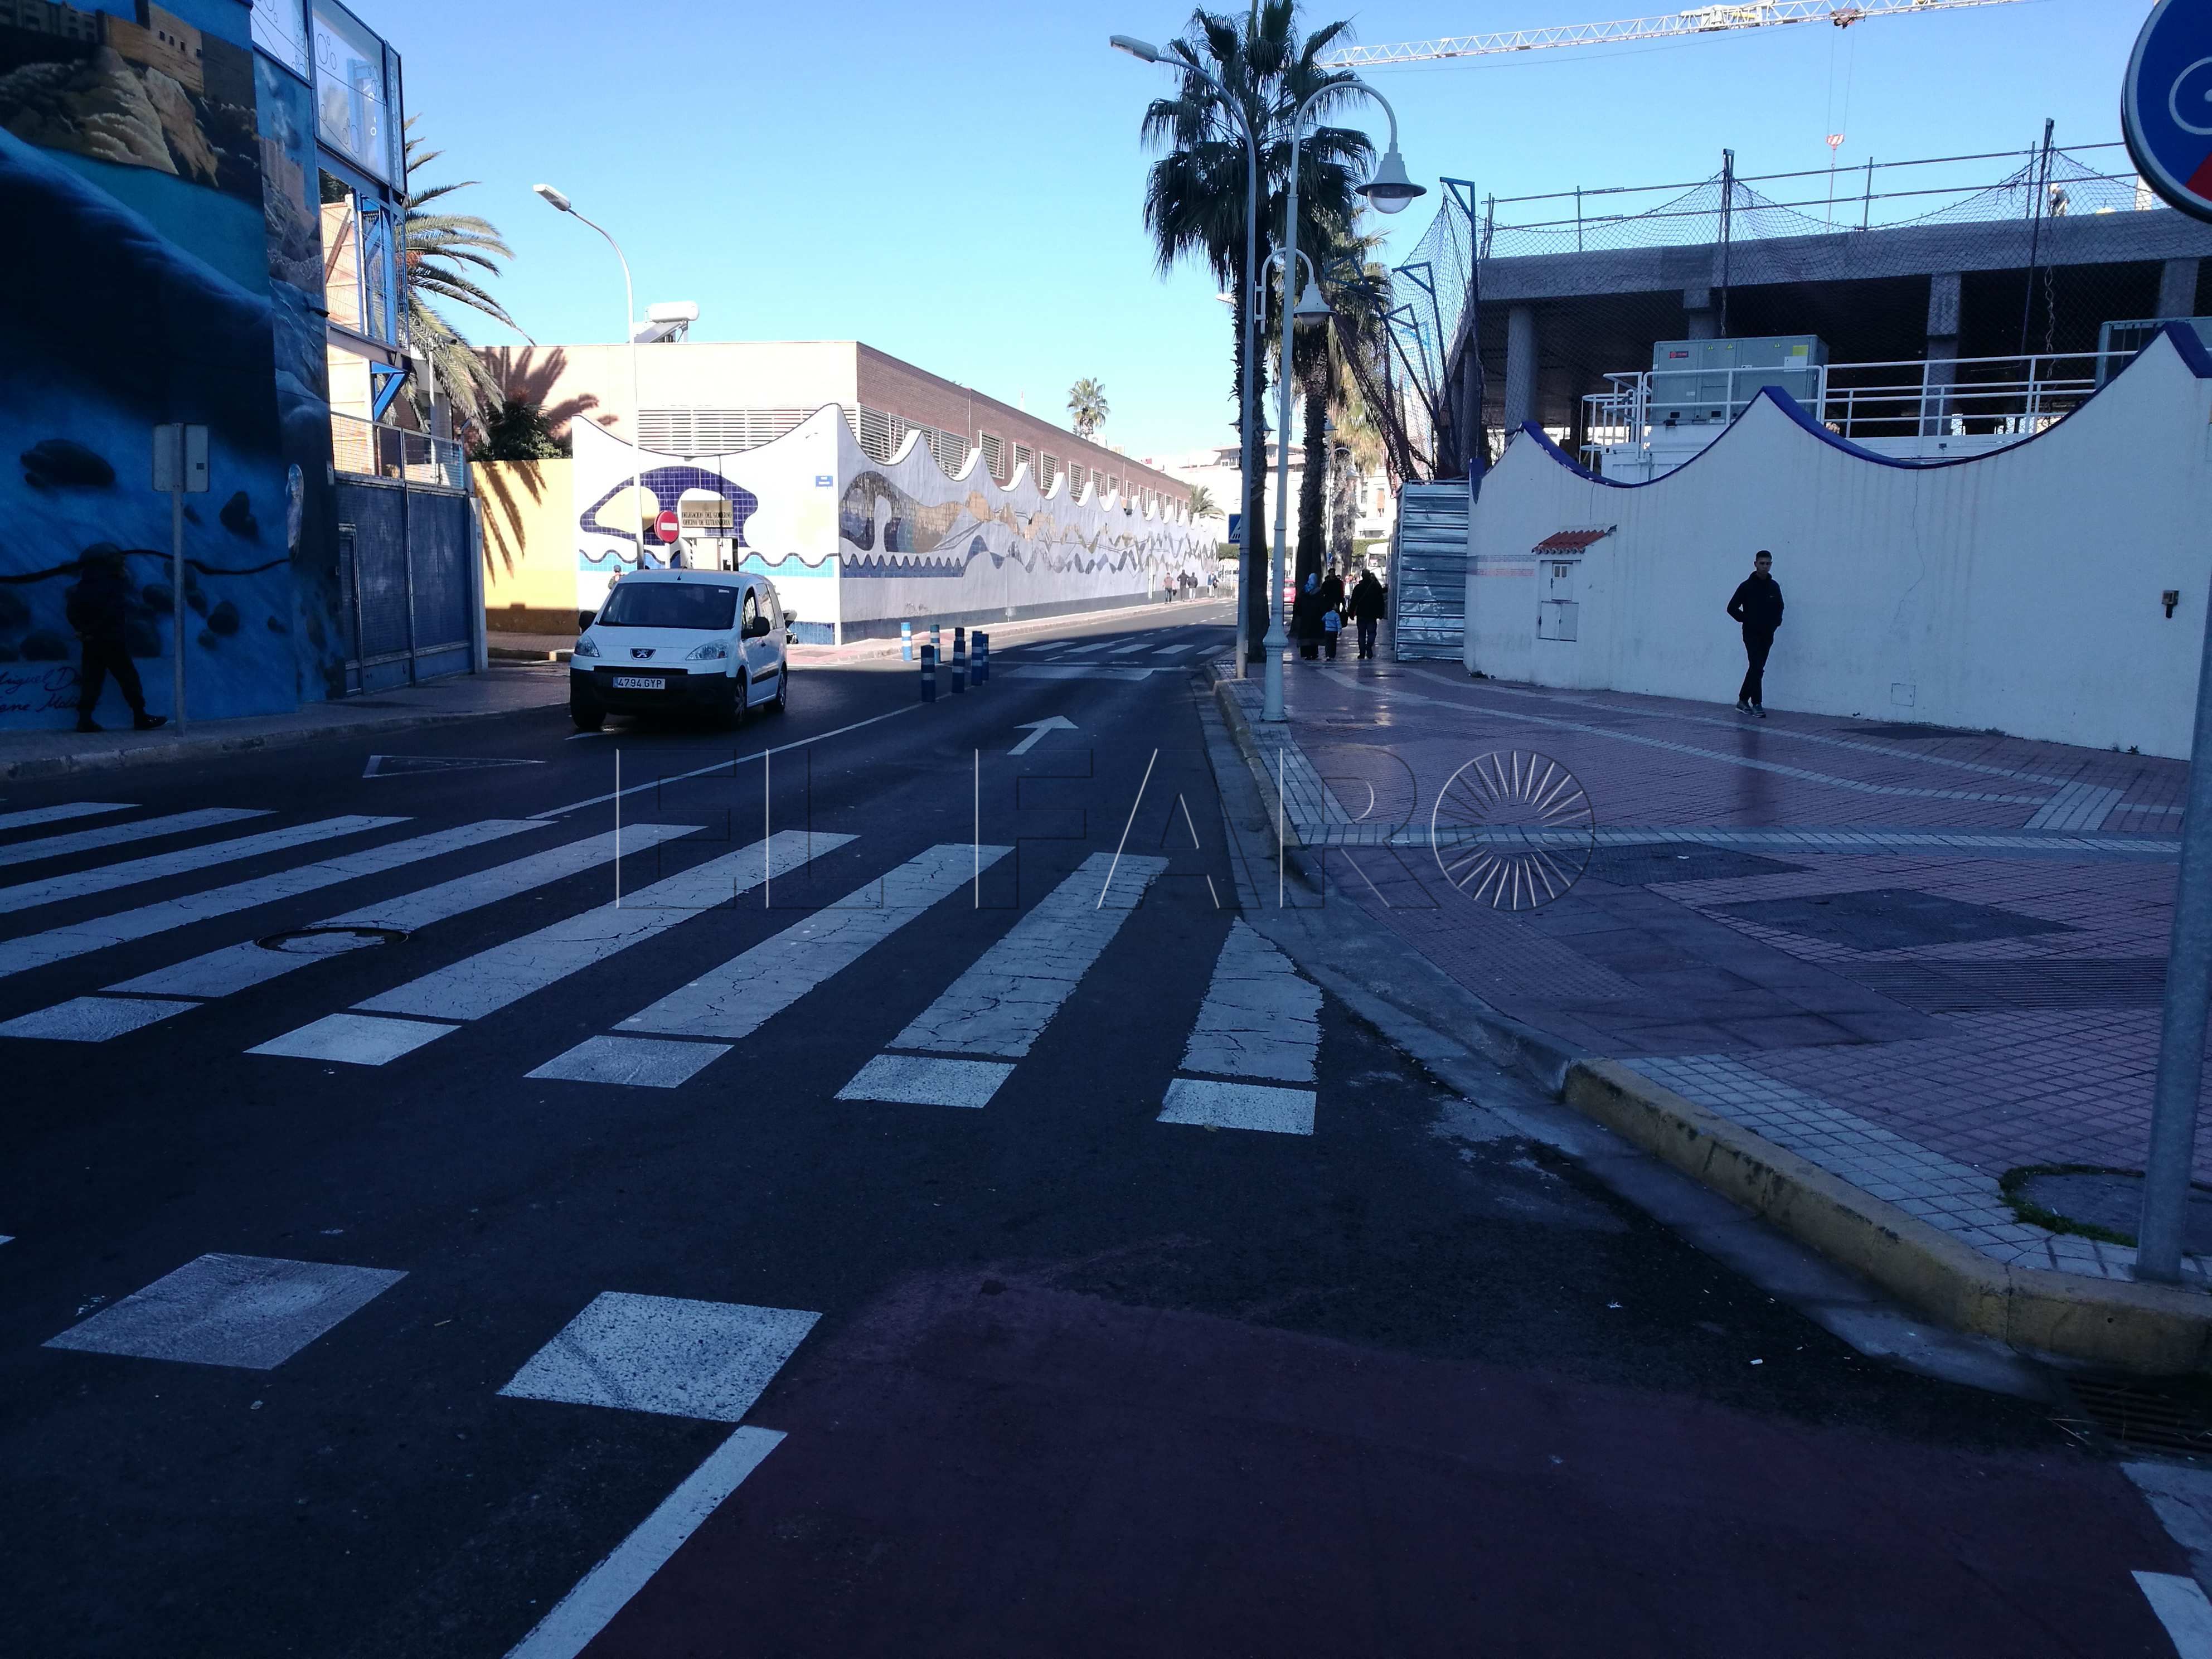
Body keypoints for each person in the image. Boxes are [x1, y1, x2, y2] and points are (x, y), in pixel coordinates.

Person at [68, 549, 165, 734]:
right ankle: (140, 716)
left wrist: (84, 631)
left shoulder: (83, 585)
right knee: (128, 678)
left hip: (91, 641)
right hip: (111, 639)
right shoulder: (113, 585)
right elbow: (111, 613)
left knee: (92, 679)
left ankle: (85, 719)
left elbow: (72, 611)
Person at [1726, 549, 1784, 717]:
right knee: (1757, 666)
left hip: (1767, 634)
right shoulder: (1746, 587)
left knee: (1757, 668)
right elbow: (1731, 608)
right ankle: (1757, 703)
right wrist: (1747, 619)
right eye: (1762, 563)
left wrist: (1776, 623)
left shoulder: (1774, 587)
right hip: (1751, 634)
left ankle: (1743, 700)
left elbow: (1780, 607)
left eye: (1768, 564)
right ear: (1755, 564)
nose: (1765, 566)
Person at [1347, 566, 1385, 659]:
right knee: (1372, 633)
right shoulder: (1376, 587)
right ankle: (1369, 646)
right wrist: (1381, 613)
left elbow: (1354, 601)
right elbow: (1381, 601)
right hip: (1372, 614)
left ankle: (1362, 653)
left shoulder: (1358, 587)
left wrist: (1351, 613)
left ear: (1362, 576)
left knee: (1361, 634)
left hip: (1361, 614)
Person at [1292, 572, 1323, 660]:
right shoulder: (1319, 592)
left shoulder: (1304, 590)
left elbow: (1299, 603)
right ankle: (1314, 653)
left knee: (1306, 636)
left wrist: (1298, 612)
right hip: (1315, 618)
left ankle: (1307, 654)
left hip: (1305, 617)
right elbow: (1322, 604)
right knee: (1313, 636)